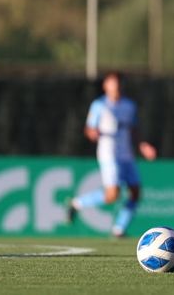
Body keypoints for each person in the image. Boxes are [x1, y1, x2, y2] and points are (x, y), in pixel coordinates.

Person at [66, 72, 157, 237]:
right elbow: (89, 128)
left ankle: (119, 229)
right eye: (112, 84)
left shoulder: (129, 105)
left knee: (135, 192)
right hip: (109, 153)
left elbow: (133, 129)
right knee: (112, 195)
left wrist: (142, 146)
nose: (116, 87)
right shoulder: (99, 105)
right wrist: (92, 133)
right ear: (105, 86)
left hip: (127, 153)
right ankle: (76, 203)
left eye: (118, 84)